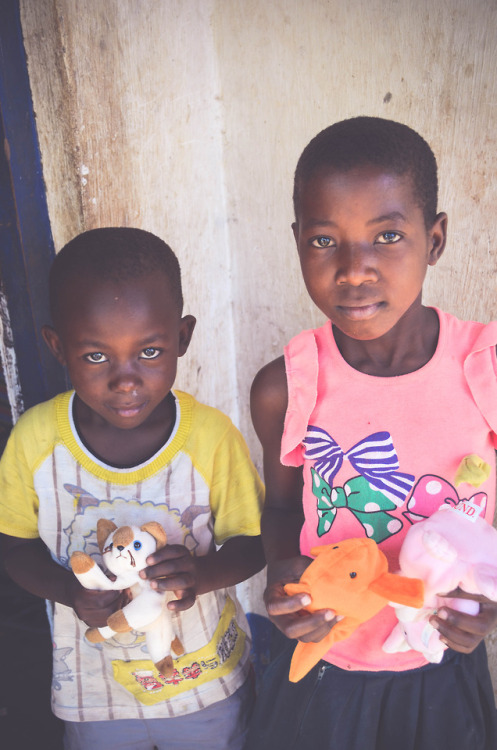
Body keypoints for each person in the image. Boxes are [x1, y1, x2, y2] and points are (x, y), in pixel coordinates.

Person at [245, 117, 497, 750]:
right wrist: (283, 578)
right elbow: (280, 508)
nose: (355, 270)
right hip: (323, 672)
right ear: (297, 240)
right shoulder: (286, 386)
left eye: (387, 235)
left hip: (442, 666)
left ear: (434, 239)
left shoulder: (485, 371)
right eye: (325, 240)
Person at [0, 227, 265, 750]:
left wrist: (202, 574)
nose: (125, 380)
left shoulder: (211, 439)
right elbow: (14, 545)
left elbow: (255, 542)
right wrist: (69, 593)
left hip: (203, 688)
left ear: (182, 338)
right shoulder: (34, 442)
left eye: (149, 350)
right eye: (96, 356)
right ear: (58, 346)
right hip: (94, 697)